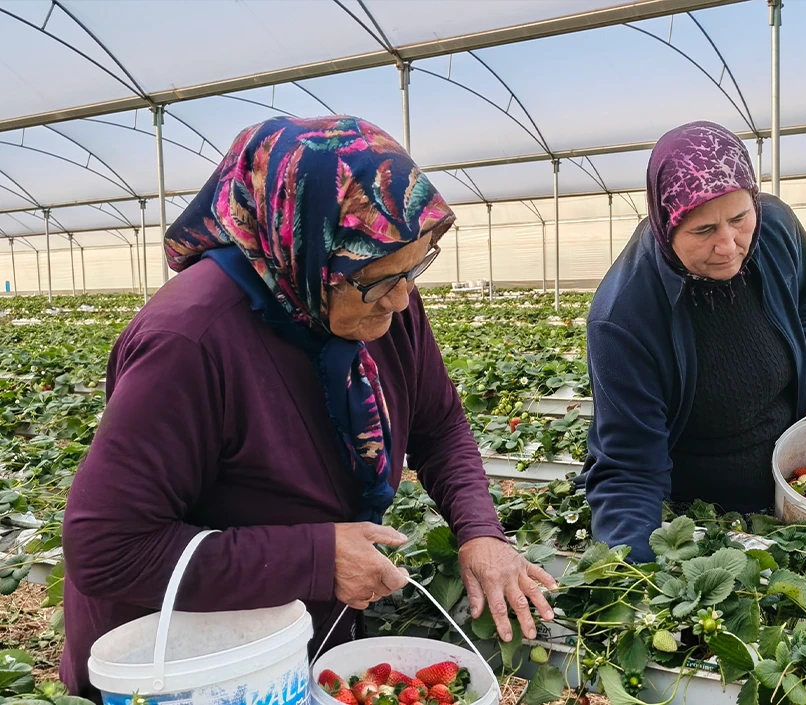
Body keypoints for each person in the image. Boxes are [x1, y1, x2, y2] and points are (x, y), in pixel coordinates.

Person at [60, 116, 555, 697]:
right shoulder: (189, 341)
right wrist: (315, 558)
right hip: (189, 664)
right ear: (305, 251)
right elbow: (109, 549)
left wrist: (480, 531)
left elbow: (438, 424)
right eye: (377, 281)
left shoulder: (380, 291)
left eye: (415, 269)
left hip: (292, 638)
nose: (401, 299)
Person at [583, 120, 806, 563]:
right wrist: (634, 573)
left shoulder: (776, 228)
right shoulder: (623, 317)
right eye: (703, 231)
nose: (728, 245)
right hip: (700, 517)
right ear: (666, 224)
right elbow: (628, 468)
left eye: (739, 219)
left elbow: (805, 303)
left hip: (795, 479)